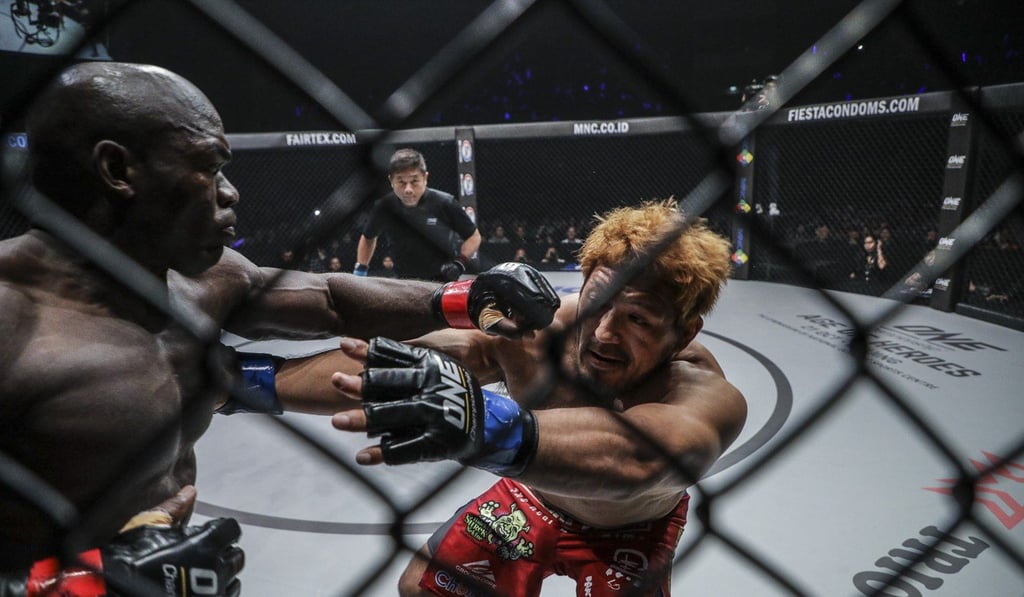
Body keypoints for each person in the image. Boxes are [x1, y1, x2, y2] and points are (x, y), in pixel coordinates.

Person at [0, 61, 559, 595]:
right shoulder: (11, 322)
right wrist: (84, 584)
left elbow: (330, 299)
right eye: (207, 166)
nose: (229, 192)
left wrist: (464, 296)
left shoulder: (198, 277)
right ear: (118, 171)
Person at [330, 200, 748, 596]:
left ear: (684, 333)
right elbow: (396, 357)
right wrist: (268, 380)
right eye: (598, 304)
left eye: (638, 318)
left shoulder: (699, 387)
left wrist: (482, 423)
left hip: (631, 527)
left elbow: (638, 456)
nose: (604, 333)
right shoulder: (538, 327)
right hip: (534, 494)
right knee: (421, 586)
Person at [354, 148, 482, 281]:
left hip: (442, 281)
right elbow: (368, 237)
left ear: (425, 178)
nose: (408, 189)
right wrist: (360, 271)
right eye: (401, 182)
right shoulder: (384, 206)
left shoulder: (445, 203)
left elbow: (474, 236)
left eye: (414, 181)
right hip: (403, 281)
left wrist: (459, 263)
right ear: (391, 181)